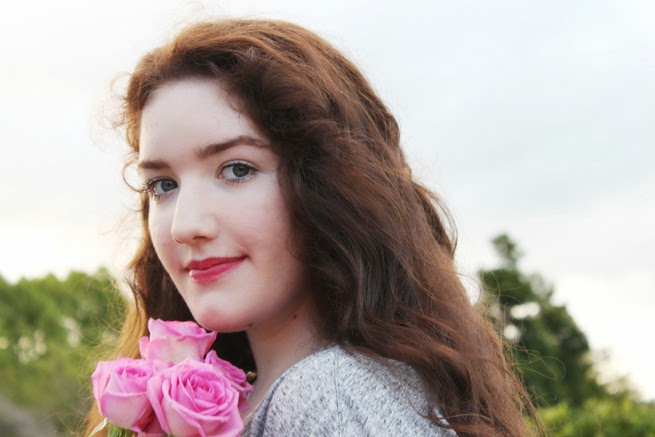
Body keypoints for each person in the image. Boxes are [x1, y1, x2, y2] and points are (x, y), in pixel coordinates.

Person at [85, 19, 539, 436]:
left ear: (328, 185)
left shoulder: (329, 398)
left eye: (237, 169)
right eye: (163, 185)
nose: (185, 226)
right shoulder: (302, 397)